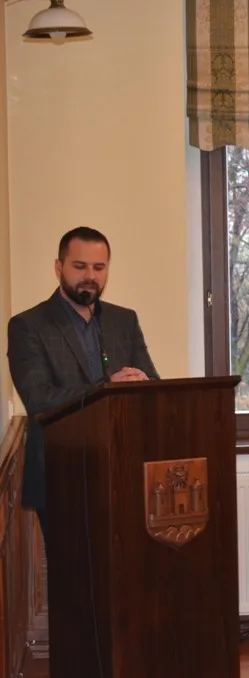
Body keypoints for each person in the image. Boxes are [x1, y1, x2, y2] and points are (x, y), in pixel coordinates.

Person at [7, 227, 159, 552]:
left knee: (127, 568)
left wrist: (143, 384)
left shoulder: (124, 321)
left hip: (125, 470)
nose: (90, 276)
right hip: (61, 475)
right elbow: (39, 399)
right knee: (73, 573)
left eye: (99, 267)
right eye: (80, 266)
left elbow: (154, 386)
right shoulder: (28, 326)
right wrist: (107, 387)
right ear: (58, 267)